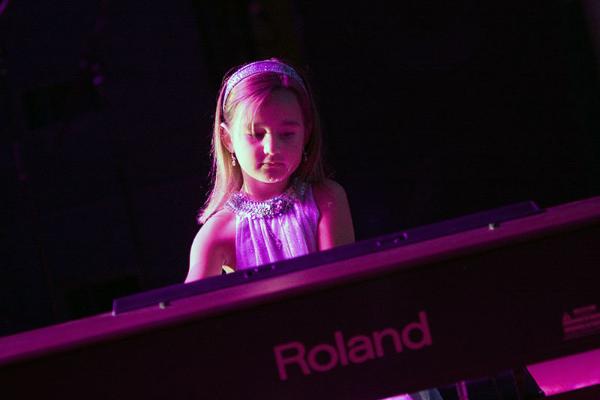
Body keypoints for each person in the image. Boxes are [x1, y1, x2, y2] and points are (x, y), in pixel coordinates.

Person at [185, 58, 355, 282]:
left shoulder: (326, 199)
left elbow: (341, 284)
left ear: (306, 133)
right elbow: (192, 301)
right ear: (228, 139)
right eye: (256, 134)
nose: (272, 148)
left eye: (287, 134)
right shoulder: (217, 232)